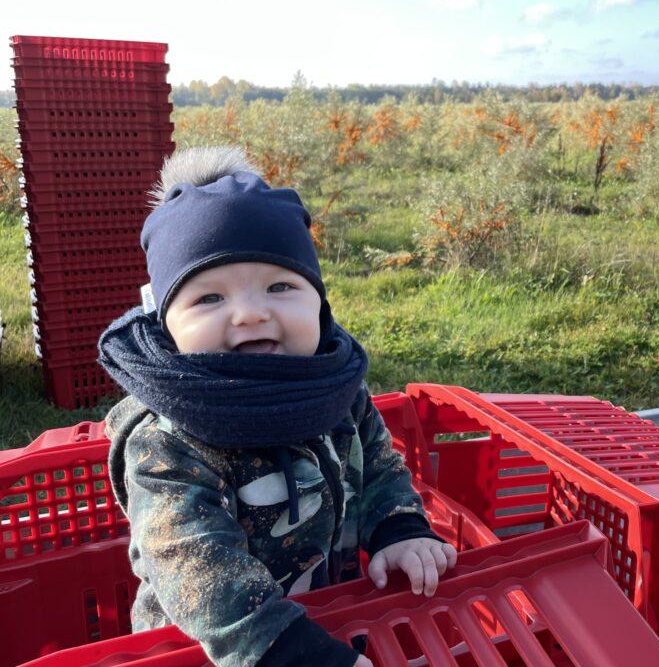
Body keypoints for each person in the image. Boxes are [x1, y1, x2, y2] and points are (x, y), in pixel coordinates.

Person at [99, 146, 456, 667]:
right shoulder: (168, 439)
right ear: (166, 326)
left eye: (281, 286)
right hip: (209, 646)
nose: (250, 313)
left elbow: (379, 468)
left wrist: (399, 529)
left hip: (324, 618)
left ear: (320, 302)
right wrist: (297, 655)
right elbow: (195, 565)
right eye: (210, 298)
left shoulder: (337, 391)